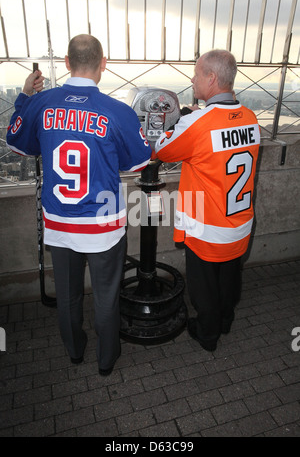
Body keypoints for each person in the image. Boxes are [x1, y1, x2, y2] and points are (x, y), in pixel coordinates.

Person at [6, 34, 152, 374]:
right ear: (103, 63)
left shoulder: (41, 104)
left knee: (68, 295)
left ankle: (74, 350)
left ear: (67, 63)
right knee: (106, 296)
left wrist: (26, 95)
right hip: (103, 224)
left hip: (59, 223)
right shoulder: (117, 111)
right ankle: (106, 358)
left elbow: (17, 143)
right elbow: (137, 164)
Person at [154, 49, 260, 352]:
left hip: (207, 226)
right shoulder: (250, 118)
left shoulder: (199, 123)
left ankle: (208, 334)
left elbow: (162, 149)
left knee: (204, 287)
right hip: (240, 222)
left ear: (211, 78)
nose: (192, 77)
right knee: (229, 279)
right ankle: (226, 320)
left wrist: (184, 119)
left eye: (197, 73)